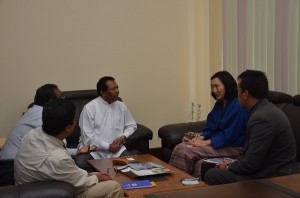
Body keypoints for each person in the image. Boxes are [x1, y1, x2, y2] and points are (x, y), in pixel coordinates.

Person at [14, 98, 124, 198]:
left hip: (31, 188)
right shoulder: (59, 159)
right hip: (50, 193)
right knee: (114, 187)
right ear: (68, 127)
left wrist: (92, 174)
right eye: (74, 120)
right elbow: (79, 183)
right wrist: (98, 178)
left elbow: (53, 160)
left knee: (95, 175)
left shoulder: (32, 134)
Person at [204, 70, 297, 185]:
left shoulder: (262, 118)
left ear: (245, 94)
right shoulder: (263, 109)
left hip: (270, 174)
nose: (236, 94)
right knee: (209, 167)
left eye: (238, 91)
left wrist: (229, 166)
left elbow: (251, 164)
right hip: (262, 166)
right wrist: (233, 162)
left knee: (212, 175)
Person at [169, 71, 249, 178]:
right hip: (219, 143)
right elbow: (211, 127)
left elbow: (229, 135)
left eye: (217, 86)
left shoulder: (237, 105)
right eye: (212, 87)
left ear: (227, 85)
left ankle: (181, 185)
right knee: (187, 150)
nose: (214, 90)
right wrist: (201, 137)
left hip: (234, 146)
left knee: (183, 150)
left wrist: (206, 143)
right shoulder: (219, 103)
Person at [0, 84, 91, 160]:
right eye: (61, 96)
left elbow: (55, 146)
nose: (63, 99)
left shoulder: (34, 111)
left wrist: (76, 151)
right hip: (11, 166)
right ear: (51, 101)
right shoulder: (44, 116)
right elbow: (59, 145)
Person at [76, 76, 137, 170]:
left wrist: (123, 137)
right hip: (95, 151)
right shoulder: (89, 108)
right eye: (113, 89)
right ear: (102, 92)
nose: (117, 91)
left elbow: (132, 125)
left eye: (117, 88)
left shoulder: (121, 106)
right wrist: (108, 147)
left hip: (117, 150)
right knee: (81, 163)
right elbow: (88, 139)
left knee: (133, 164)